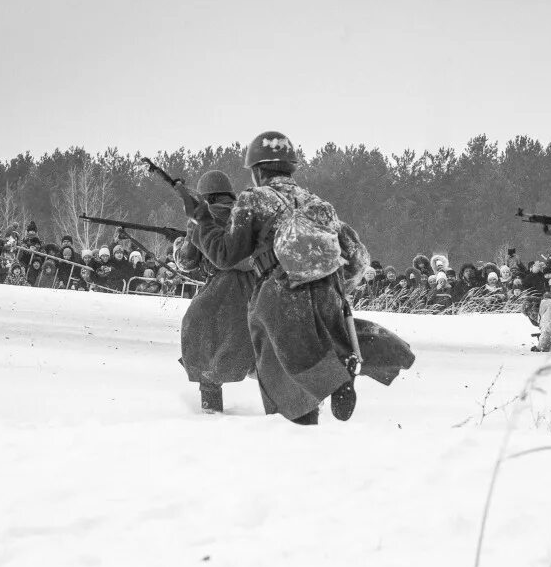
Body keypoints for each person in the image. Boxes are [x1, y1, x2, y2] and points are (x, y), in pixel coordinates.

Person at [188, 130, 413, 425]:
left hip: (279, 294)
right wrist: (331, 286)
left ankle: (307, 420)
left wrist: (202, 221)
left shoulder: (252, 200)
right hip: (327, 293)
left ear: (256, 171)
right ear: (291, 167)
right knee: (310, 356)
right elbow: (359, 258)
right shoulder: (318, 204)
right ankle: (339, 369)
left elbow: (225, 255)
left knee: (279, 382)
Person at [175, 170, 261, 413]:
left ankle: (210, 409)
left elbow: (187, 262)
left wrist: (179, 244)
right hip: (259, 286)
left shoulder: (202, 219)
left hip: (223, 291)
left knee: (202, 340)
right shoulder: (249, 215)